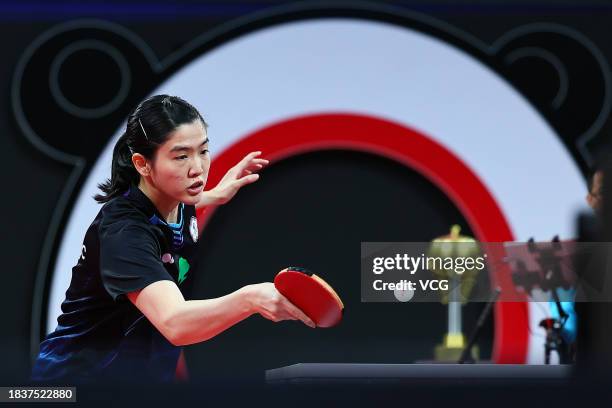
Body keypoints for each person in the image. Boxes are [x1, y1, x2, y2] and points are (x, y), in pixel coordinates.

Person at [31, 95, 314, 383]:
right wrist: (250, 299)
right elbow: (174, 322)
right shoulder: (124, 233)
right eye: (181, 156)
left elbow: (184, 205)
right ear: (142, 164)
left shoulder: (177, 196)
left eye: (203, 151)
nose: (197, 169)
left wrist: (216, 194)